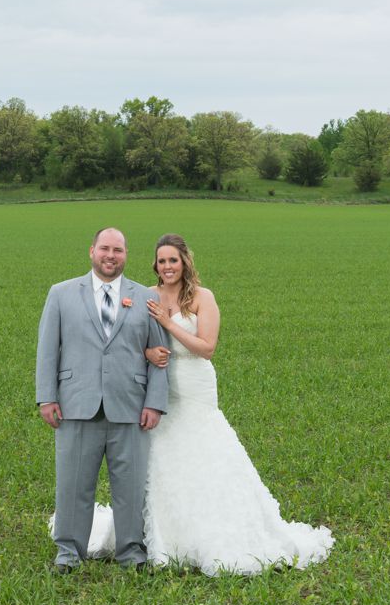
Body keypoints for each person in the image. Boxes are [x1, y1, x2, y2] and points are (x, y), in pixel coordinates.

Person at [81, 233, 334, 574]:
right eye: (162, 260)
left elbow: (207, 347)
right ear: (155, 265)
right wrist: (146, 353)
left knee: (203, 451)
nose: (167, 266)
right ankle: (156, 536)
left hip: (195, 385)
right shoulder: (146, 296)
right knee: (160, 457)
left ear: (185, 262)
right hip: (158, 385)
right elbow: (129, 341)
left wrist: (169, 323)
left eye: (173, 260)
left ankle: (212, 534)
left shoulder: (202, 297)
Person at [35, 227, 170, 571]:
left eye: (119, 250)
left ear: (127, 255)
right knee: (73, 484)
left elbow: (160, 354)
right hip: (76, 404)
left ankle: (132, 553)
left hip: (131, 407)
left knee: (131, 486)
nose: (111, 256)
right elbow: (48, 350)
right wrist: (46, 397)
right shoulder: (62, 293)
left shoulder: (145, 298)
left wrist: (154, 402)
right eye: (105, 249)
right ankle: (68, 553)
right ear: (92, 251)